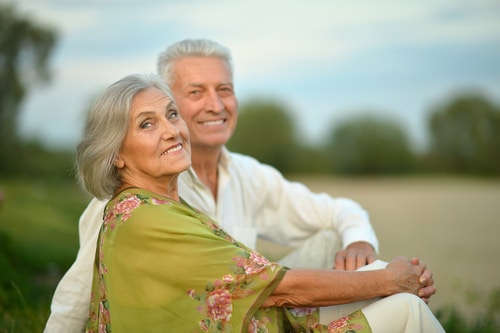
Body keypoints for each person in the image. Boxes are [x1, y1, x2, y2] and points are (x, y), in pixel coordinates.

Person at [44, 39, 437, 332]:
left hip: (255, 312)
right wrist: (389, 280)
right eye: (195, 93)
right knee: (405, 305)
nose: (215, 105)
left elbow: (338, 212)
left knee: (373, 270)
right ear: (117, 153)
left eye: (224, 89)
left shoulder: (243, 175)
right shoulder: (134, 211)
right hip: (262, 308)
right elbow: (77, 297)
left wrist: (362, 247)